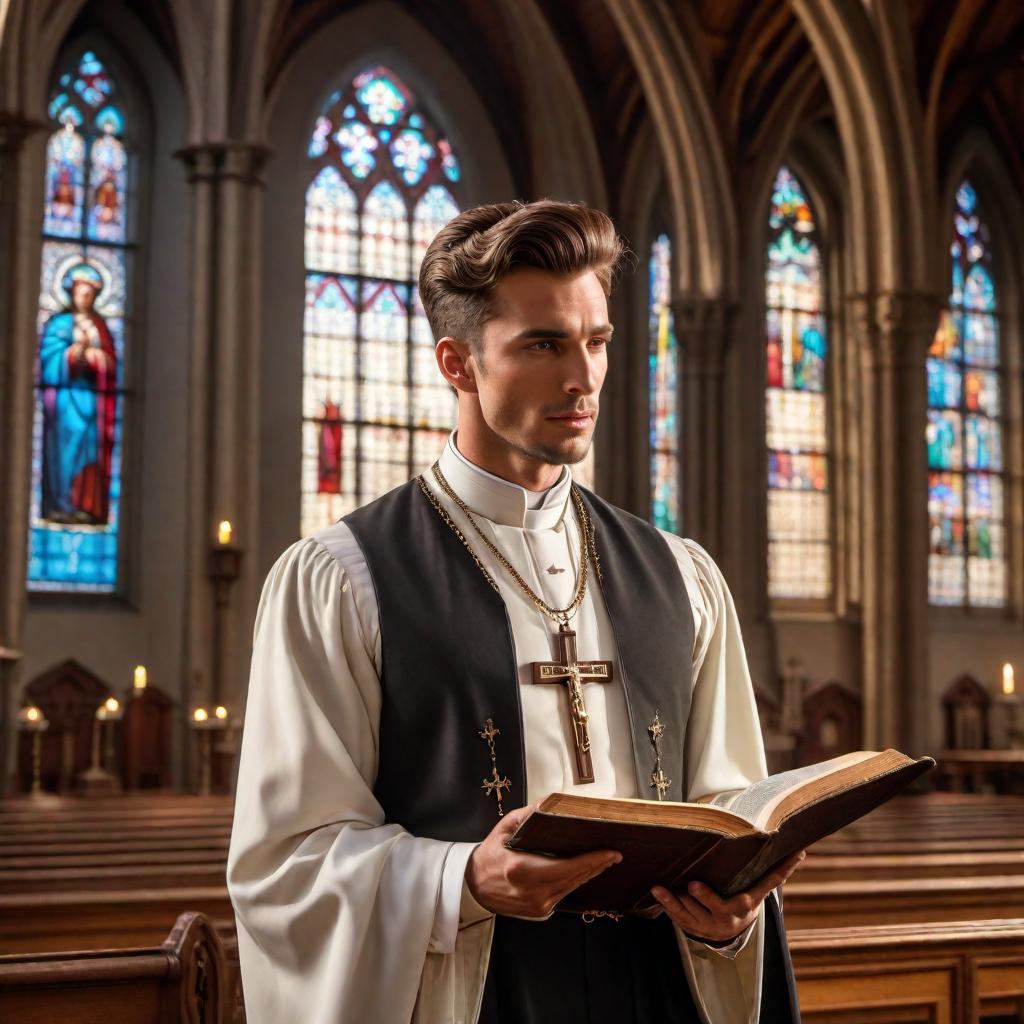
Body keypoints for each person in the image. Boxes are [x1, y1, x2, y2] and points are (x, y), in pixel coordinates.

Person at [227, 199, 803, 1023]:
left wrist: (732, 916)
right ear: (457, 364)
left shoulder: (683, 577)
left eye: (596, 340)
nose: (584, 377)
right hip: (478, 995)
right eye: (543, 345)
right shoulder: (338, 578)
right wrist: (463, 879)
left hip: (660, 994)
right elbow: (286, 866)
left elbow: (731, 812)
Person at [38, 261, 117, 525]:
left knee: (89, 453)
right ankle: (60, 504)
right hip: (64, 401)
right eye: (81, 292)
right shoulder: (59, 324)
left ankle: (86, 506)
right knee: (64, 454)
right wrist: (73, 353)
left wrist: (95, 357)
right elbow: (49, 361)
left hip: (90, 401)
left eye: (90, 294)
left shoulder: (101, 327)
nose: (85, 297)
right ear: (72, 292)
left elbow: (109, 362)